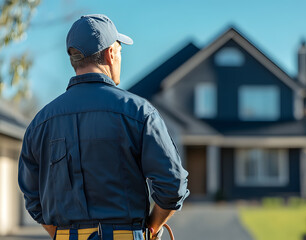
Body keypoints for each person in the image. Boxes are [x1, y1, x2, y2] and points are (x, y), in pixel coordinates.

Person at [18, 14, 189, 240]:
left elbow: (32, 197)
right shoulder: (139, 113)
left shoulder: (40, 123)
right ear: (110, 54)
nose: (119, 58)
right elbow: (172, 184)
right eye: (119, 51)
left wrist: (63, 234)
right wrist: (151, 228)